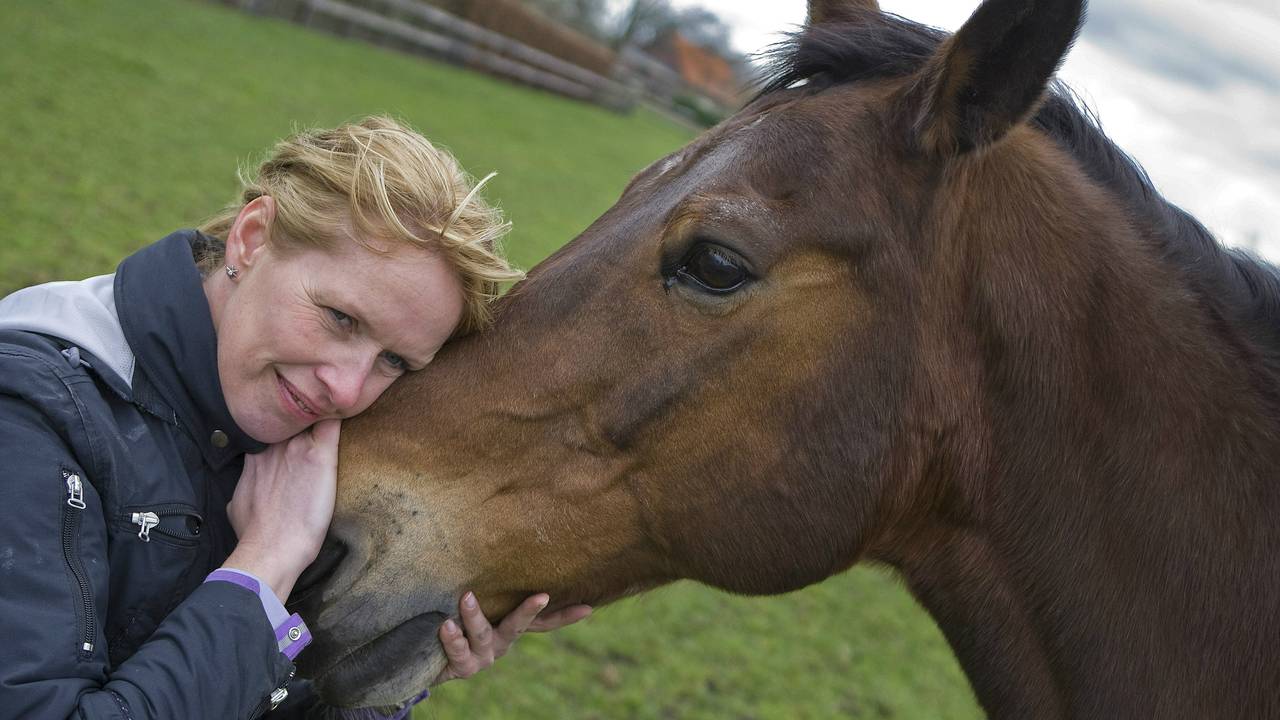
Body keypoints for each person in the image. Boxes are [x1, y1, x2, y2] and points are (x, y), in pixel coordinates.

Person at [0, 116, 591, 719]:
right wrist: (266, 565)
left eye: (393, 360)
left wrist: (397, 666)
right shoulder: (29, 409)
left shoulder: (309, 448)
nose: (346, 387)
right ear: (252, 238)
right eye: (340, 317)